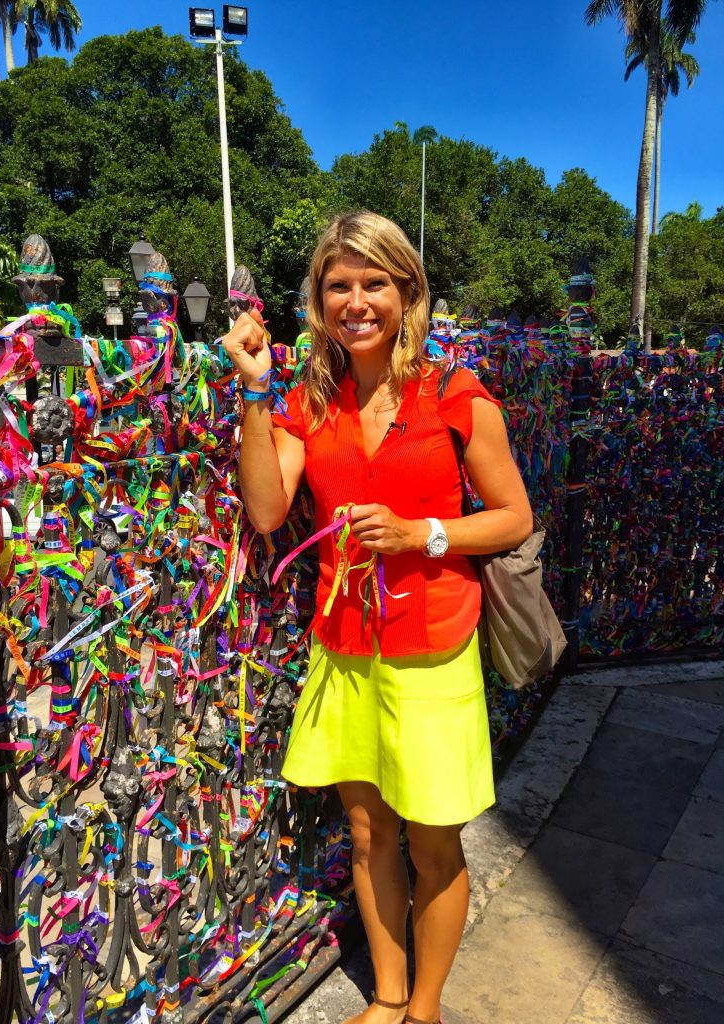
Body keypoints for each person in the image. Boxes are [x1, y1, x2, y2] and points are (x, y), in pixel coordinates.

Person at [222, 211, 532, 1024]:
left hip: (432, 644)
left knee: (432, 843)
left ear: (406, 294)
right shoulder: (307, 402)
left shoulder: (454, 395)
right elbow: (265, 510)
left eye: (374, 284)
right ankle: (388, 997)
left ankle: (423, 1010)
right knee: (366, 835)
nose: (356, 301)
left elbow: (512, 517)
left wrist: (420, 533)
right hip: (345, 644)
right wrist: (256, 389)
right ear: (318, 300)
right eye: (338, 286)